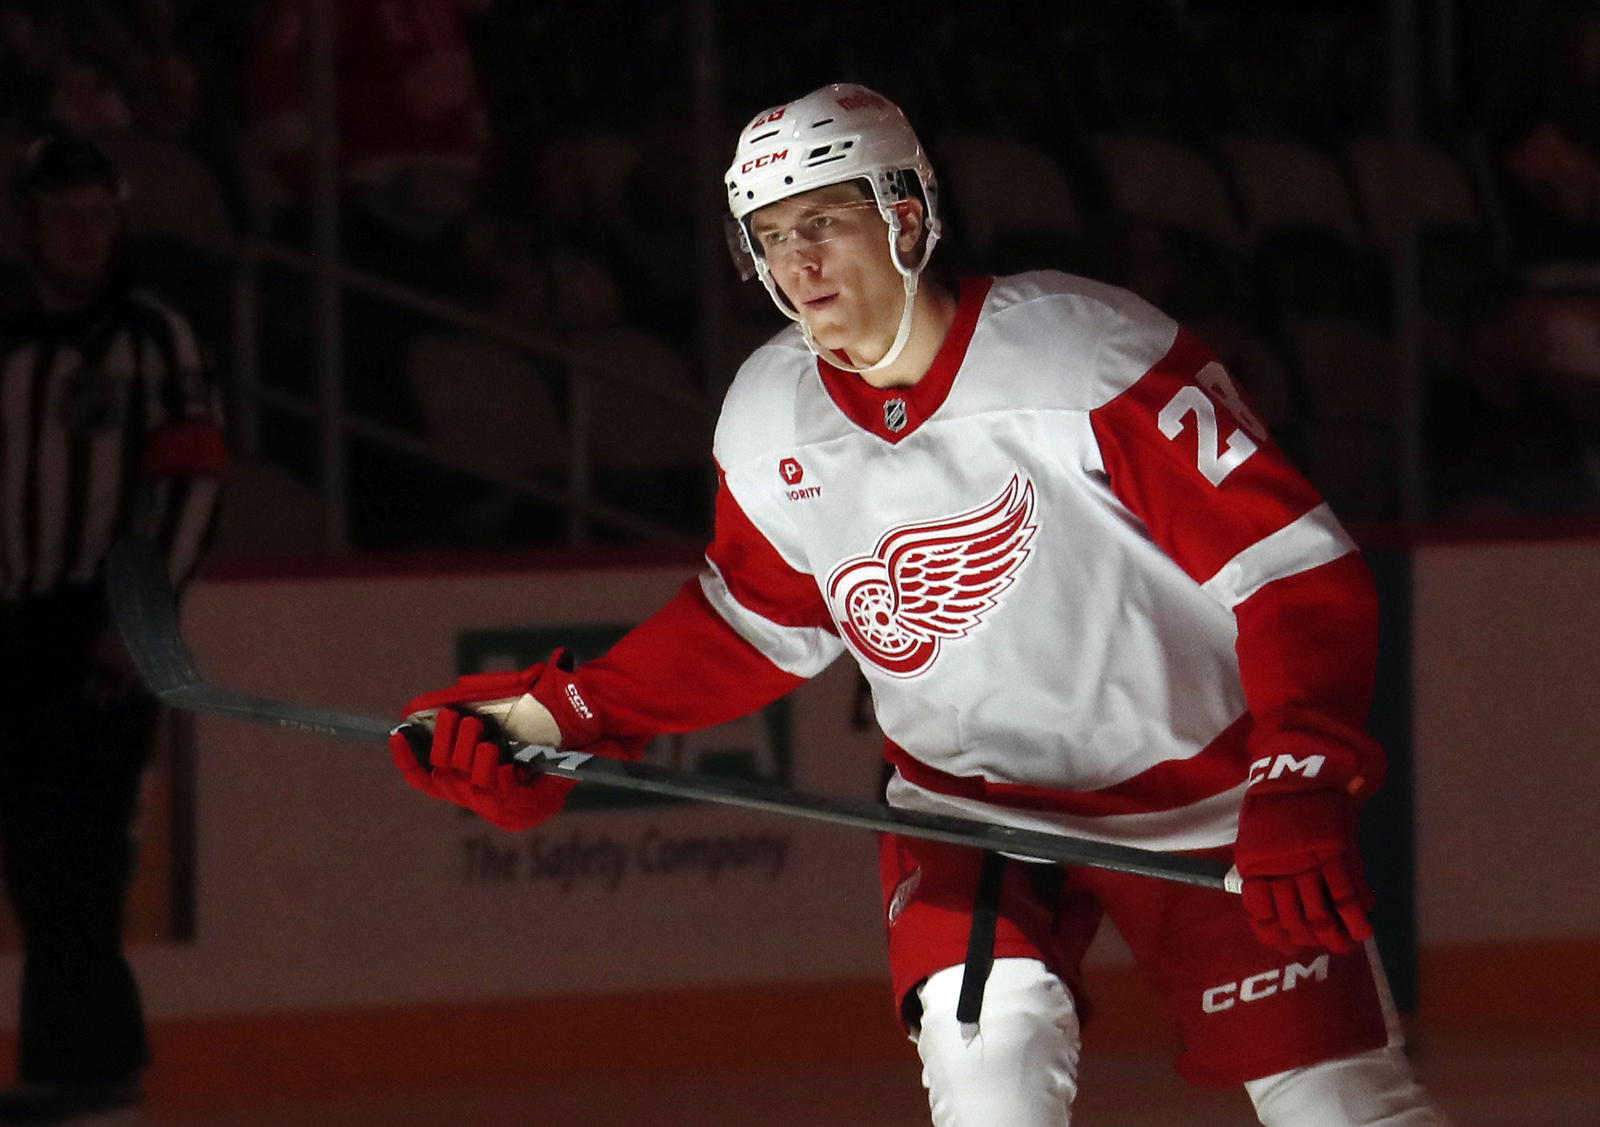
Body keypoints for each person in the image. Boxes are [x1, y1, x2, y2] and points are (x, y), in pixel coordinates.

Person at [388, 84, 1444, 1125]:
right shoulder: (769, 415)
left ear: (901, 215)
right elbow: (755, 622)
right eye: (767, 234)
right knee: (992, 1095)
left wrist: (1300, 766)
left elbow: (1294, 570)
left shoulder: (1085, 355)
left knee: (1342, 1107)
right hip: (966, 812)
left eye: (821, 223)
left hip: (1204, 799)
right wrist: (544, 716)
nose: (795, 263)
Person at [0, 134, 225, 1125]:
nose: (82, 234)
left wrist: (132, 620)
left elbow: (190, 484)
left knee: (78, 855)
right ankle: (79, 1065)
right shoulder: (6, 340)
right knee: (39, 859)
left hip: (98, 622)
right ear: (29, 227)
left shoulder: (154, 338)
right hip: (12, 624)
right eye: (63, 215)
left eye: (97, 214)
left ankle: (92, 1069)